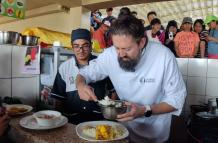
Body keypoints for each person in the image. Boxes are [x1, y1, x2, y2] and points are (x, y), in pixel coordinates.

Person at [76, 15, 187, 143]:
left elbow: (176, 99)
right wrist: (80, 85)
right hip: (122, 133)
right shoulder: (110, 55)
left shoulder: (164, 56)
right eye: (117, 48)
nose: (121, 54)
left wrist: (145, 110)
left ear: (141, 42)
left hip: (156, 135)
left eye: (127, 49)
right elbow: (84, 73)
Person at [45, 28, 115, 124]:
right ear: (72, 47)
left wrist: (110, 116)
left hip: (98, 119)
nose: (80, 50)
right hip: (72, 120)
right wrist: (59, 120)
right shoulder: (64, 67)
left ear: (91, 46)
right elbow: (59, 97)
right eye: (76, 46)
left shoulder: (101, 64)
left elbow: (113, 92)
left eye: (85, 46)